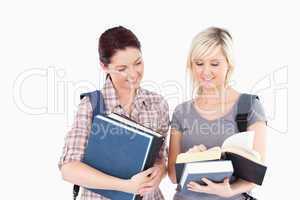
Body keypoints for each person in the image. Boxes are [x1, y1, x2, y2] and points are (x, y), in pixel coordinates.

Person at [58, 26, 169, 200]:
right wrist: (125, 186)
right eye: (122, 68)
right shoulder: (92, 105)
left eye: (138, 63)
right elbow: (69, 169)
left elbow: (161, 160)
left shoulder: (158, 104)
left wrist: (160, 171)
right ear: (104, 66)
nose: (133, 74)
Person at [167, 27, 267, 200]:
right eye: (199, 63)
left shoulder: (249, 107)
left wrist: (231, 190)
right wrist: (188, 159)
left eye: (214, 64)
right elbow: (173, 176)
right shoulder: (181, 112)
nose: (205, 72)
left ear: (229, 64)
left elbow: (257, 174)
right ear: (191, 65)